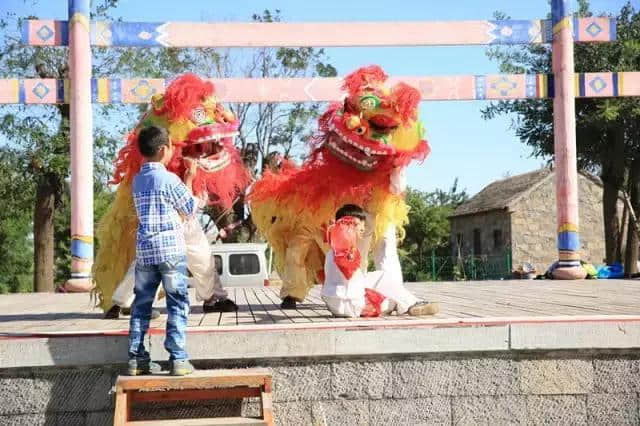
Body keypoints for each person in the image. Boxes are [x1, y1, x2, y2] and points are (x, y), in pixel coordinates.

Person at [127, 125, 196, 376]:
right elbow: (189, 207)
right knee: (177, 303)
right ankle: (178, 359)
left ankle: (136, 359)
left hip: (145, 251)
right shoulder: (168, 179)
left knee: (141, 304)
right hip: (170, 251)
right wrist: (189, 178)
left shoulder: (137, 180)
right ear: (163, 150)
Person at [321, 204, 439, 317]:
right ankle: (410, 304)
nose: (362, 229)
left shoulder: (333, 251)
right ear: (345, 226)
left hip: (335, 304)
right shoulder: (345, 250)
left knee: (380, 277)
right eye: (357, 225)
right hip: (350, 306)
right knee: (389, 300)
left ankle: (409, 303)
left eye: (362, 226)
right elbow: (347, 269)